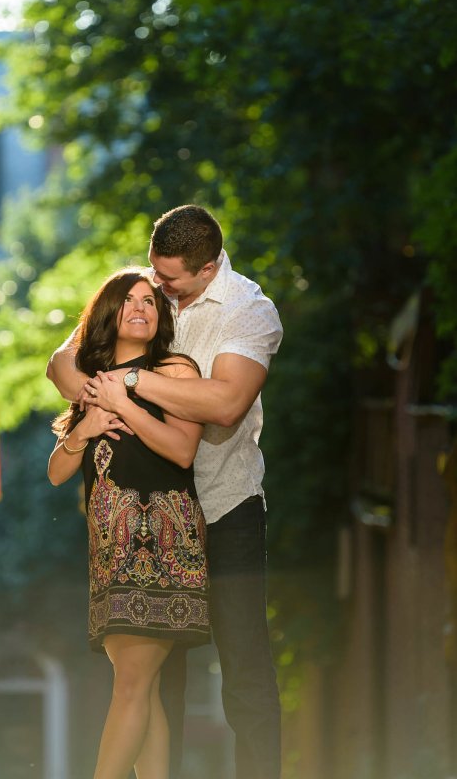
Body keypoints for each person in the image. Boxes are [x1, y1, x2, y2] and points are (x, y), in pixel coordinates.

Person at [47, 205, 283, 779]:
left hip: (223, 504)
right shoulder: (144, 297)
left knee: (244, 665)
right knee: (154, 680)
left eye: (170, 280)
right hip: (136, 514)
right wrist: (90, 409)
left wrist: (126, 384)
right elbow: (62, 362)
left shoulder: (248, 311)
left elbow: (225, 404)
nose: (157, 288)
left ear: (208, 269)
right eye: (155, 275)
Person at [47, 267, 209, 779]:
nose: (141, 308)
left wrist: (124, 405)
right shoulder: (90, 381)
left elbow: (182, 451)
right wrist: (87, 426)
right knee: (143, 687)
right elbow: (57, 473)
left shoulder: (177, 370)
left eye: (150, 301)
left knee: (133, 686)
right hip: (110, 547)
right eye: (129, 300)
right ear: (109, 313)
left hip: (165, 541)